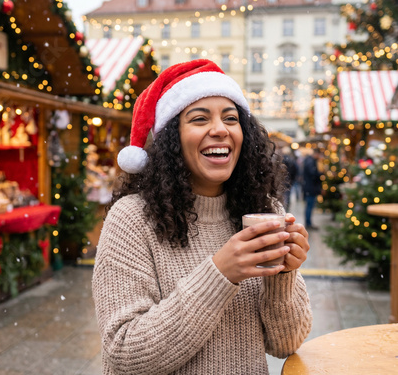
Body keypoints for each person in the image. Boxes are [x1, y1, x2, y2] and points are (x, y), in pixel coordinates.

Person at [92, 60, 312, 375]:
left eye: (231, 118)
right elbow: (125, 355)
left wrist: (283, 276)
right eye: (199, 118)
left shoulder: (265, 212)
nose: (220, 129)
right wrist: (220, 273)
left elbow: (286, 345)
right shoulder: (131, 218)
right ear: (172, 139)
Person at [303, 148, 323, 230]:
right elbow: (313, 174)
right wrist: (320, 174)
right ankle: (308, 223)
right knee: (309, 206)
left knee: (309, 206)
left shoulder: (309, 161)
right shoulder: (311, 162)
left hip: (309, 187)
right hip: (310, 188)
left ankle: (308, 222)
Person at [281, 145, 299, 213]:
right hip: (289, 181)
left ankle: (283, 208)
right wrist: (292, 179)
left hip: (281, 181)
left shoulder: (280, 159)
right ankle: (286, 208)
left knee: (282, 195)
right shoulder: (291, 160)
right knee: (288, 195)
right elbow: (296, 170)